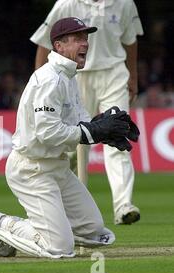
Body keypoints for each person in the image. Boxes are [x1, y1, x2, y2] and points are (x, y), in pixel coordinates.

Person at [0, 17, 139, 258]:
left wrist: (104, 128)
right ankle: (2, 224)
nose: (85, 43)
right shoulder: (50, 79)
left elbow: (80, 122)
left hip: (58, 169)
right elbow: (48, 133)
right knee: (59, 248)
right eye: (77, 38)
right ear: (58, 45)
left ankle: (53, 228)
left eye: (86, 38)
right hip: (32, 170)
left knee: (96, 233)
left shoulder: (68, 76)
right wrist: (92, 132)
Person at [30, 0, 144, 225]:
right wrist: (40, 80)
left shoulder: (124, 3)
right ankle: (67, 204)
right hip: (76, 75)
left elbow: (130, 41)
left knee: (118, 132)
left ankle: (123, 206)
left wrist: (133, 76)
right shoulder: (66, 4)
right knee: (72, 146)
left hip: (113, 74)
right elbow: (45, 42)